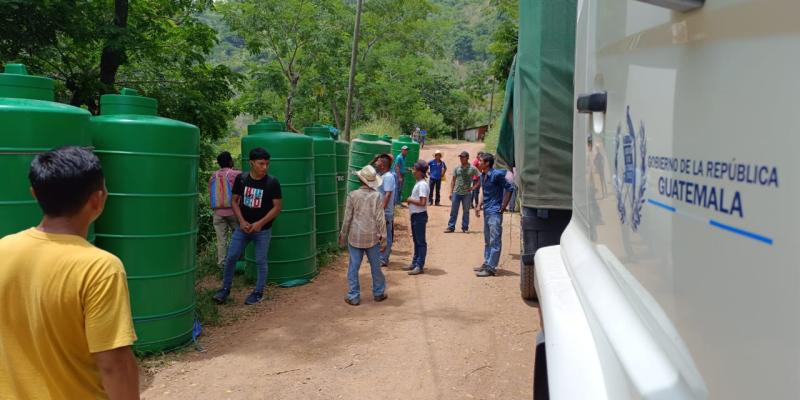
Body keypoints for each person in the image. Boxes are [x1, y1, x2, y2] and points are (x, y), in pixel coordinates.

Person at [0, 146, 139, 399]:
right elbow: (113, 364)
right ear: (97, 199)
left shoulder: (3, 249)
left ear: (34, 194)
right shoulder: (99, 268)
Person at [213, 147, 283, 305]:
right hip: (242, 229)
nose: (265, 167)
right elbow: (234, 201)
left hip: (262, 230)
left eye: (267, 164)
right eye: (261, 164)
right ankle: (225, 289)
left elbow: (277, 207)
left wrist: (260, 223)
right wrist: (242, 221)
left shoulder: (272, 182)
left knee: (260, 260)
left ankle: (258, 292)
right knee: (231, 257)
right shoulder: (242, 179)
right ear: (251, 163)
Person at [339, 165, 388, 306]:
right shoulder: (377, 196)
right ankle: (378, 293)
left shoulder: (352, 195)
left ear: (360, 180)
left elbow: (347, 218)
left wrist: (343, 235)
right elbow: (380, 219)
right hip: (372, 237)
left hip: (355, 237)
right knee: (375, 267)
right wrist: (384, 239)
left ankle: (354, 296)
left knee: (353, 267)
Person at [474, 153, 514, 277]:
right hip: (487, 210)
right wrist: (479, 205)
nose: (478, 162)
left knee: (494, 239)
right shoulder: (483, 175)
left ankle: (491, 267)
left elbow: (510, 188)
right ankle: (487, 263)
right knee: (488, 239)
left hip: (495, 211)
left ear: (487, 163)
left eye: (481, 161)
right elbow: (483, 191)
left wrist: (503, 206)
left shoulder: (496, 174)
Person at [209, 151, 242, 267]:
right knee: (239, 237)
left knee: (221, 240)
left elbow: (211, 193)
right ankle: (238, 261)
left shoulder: (213, 176)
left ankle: (222, 264)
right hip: (233, 211)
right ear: (230, 161)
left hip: (218, 213)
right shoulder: (236, 174)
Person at [404, 160, 430, 276]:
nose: (413, 171)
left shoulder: (422, 185)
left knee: (420, 241)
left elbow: (422, 202)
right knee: (416, 240)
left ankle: (419, 265)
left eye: (414, 169)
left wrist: (410, 200)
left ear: (420, 172)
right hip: (416, 215)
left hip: (419, 215)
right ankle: (415, 263)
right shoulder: (419, 183)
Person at [445, 151, 480, 233]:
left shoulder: (472, 168)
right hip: (456, 192)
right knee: (454, 211)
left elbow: (480, 178)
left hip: (467, 194)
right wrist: (451, 192)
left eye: (463, 157)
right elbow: (453, 181)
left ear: (467, 158)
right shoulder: (457, 168)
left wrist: (473, 187)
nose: (461, 158)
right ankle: (451, 227)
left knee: (466, 211)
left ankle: (465, 227)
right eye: (460, 157)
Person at [372, 153, 396, 267]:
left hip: (385, 213)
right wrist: (374, 160)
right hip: (378, 211)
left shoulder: (388, 177)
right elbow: (364, 172)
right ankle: (378, 257)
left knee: (386, 236)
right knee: (379, 236)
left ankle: (383, 259)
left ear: (382, 165)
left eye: (378, 162)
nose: (376, 163)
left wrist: (381, 211)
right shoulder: (380, 175)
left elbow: (387, 194)